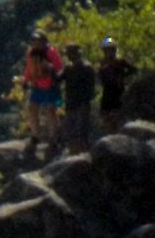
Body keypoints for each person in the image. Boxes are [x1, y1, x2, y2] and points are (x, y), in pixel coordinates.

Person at [20, 31, 64, 162]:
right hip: (38, 86)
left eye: (38, 41)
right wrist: (26, 81)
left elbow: (60, 67)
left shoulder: (51, 52)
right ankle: (36, 135)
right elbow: (29, 69)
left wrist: (55, 75)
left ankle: (54, 137)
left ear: (44, 41)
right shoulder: (31, 54)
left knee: (52, 111)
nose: (35, 44)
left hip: (52, 87)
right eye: (34, 42)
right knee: (32, 110)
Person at [58, 43, 98, 155]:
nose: (70, 56)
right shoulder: (69, 68)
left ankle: (83, 154)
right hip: (72, 104)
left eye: (71, 53)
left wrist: (86, 102)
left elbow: (91, 87)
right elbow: (57, 80)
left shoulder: (86, 67)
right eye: (69, 54)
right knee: (71, 132)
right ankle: (74, 153)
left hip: (81, 104)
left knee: (81, 132)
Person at [95, 37, 137, 136]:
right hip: (107, 94)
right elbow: (99, 77)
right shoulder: (102, 63)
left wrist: (122, 76)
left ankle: (121, 135)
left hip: (119, 93)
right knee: (106, 118)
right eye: (107, 50)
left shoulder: (120, 62)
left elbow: (134, 70)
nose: (109, 52)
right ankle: (109, 135)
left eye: (111, 49)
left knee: (119, 116)